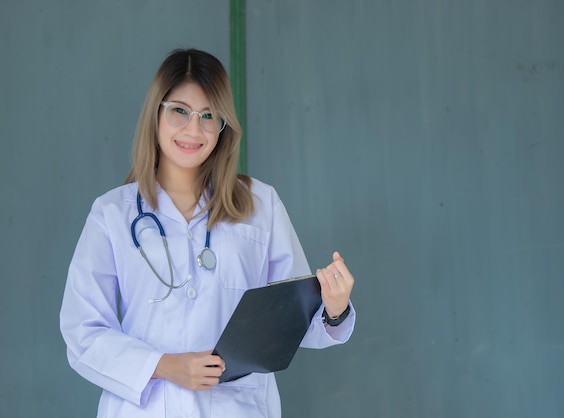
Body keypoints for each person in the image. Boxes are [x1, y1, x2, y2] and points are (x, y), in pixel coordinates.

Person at [59, 48, 355, 418]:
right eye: (179, 111)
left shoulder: (261, 205)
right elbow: (83, 332)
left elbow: (292, 323)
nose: (193, 130)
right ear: (156, 113)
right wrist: (163, 365)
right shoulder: (112, 214)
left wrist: (334, 308)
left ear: (223, 126)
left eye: (208, 116)